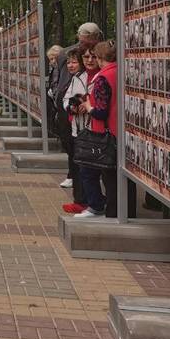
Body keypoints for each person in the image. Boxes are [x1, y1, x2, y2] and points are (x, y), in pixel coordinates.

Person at [76, 41, 118, 218]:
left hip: (103, 132)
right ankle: (113, 209)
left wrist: (88, 105)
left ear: (100, 58)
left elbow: (101, 112)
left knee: (91, 170)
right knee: (112, 176)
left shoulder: (103, 77)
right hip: (116, 130)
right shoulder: (119, 71)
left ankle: (100, 207)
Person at [59, 48, 93, 212]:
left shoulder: (89, 77)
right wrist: (70, 106)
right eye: (68, 62)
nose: (71, 65)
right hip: (76, 127)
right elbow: (66, 98)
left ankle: (87, 201)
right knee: (78, 165)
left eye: (74, 62)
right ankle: (80, 199)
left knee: (85, 168)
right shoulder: (75, 78)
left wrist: (85, 105)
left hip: (88, 128)